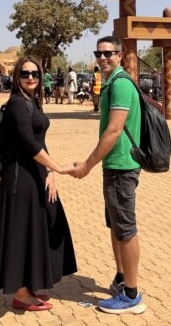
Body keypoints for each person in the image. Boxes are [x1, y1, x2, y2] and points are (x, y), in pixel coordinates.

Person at [0, 57, 77, 311]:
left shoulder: (32, 102)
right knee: (21, 232)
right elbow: (28, 142)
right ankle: (21, 293)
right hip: (19, 179)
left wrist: (51, 172)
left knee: (40, 228)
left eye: (35, 74)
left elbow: (40, 139)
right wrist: (59, 166)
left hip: (37, 174)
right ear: (17, 77)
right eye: (25, 74)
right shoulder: (16, 104)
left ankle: (34, 281)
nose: (31, 78)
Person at [71, 36, 145, 315]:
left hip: (122, 166)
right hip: (114, 166)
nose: (103, 58)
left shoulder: (122, 84)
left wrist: (88, 164)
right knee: (115, 224)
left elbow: (114, 131)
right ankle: (122, 277)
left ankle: (131, 295)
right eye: (99, 53)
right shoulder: (112, 82)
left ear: (120, 54)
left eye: (109, 53)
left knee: (125, 228)